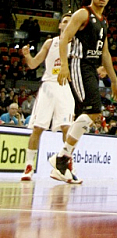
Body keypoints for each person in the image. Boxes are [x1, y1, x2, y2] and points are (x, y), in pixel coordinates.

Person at [49, 0, 117, 184]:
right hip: (79, 64)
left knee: (92, 112)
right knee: (93, 110)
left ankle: (62, 159)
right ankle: (61, 159)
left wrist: (114, 81)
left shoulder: (104, 22)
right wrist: (64, 65)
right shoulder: (83, 14)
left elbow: (105, 53)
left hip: (91, 67)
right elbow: (64, 39)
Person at [19, 13, 75, 181]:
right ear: (59, 25)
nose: (67, 23)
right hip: (49, 86)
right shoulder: (50, 42)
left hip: (65, 87)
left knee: (68, 128)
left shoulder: (78, 44)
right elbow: (34, 64)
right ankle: (28, 167)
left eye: (71, 21)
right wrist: (27, 55)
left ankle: (66, 168)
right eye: (64, 21)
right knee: (38, 128)